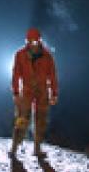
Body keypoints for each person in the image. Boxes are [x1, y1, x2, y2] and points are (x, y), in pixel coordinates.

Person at [10, 27, 58, 157]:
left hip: (42, 91)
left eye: (35, 41)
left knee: (41, 120)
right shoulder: (20, 55)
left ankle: (37, 148)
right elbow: (16, 74)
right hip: (26, 90)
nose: (32, 44)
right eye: (30, 41)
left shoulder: (47, 56)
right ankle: (14, 147)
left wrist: (54, 93)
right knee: (22, 118)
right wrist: (15, 92)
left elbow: (52, 76)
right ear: (26, 41)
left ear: (39, 41)